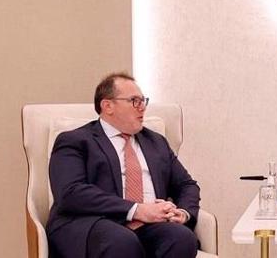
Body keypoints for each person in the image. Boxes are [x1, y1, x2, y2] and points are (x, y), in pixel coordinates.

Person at [47, 72, 200, 258]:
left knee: (182, 238)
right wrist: (136, 210)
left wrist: (182, 212)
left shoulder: (156, 142)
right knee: (121, 241)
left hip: (148, 227)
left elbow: (186, 185)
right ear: (108, 106)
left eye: (143, 101)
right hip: (94, 222)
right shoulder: (75, 141)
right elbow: (70, 192)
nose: (142, 107)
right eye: (134, 101)